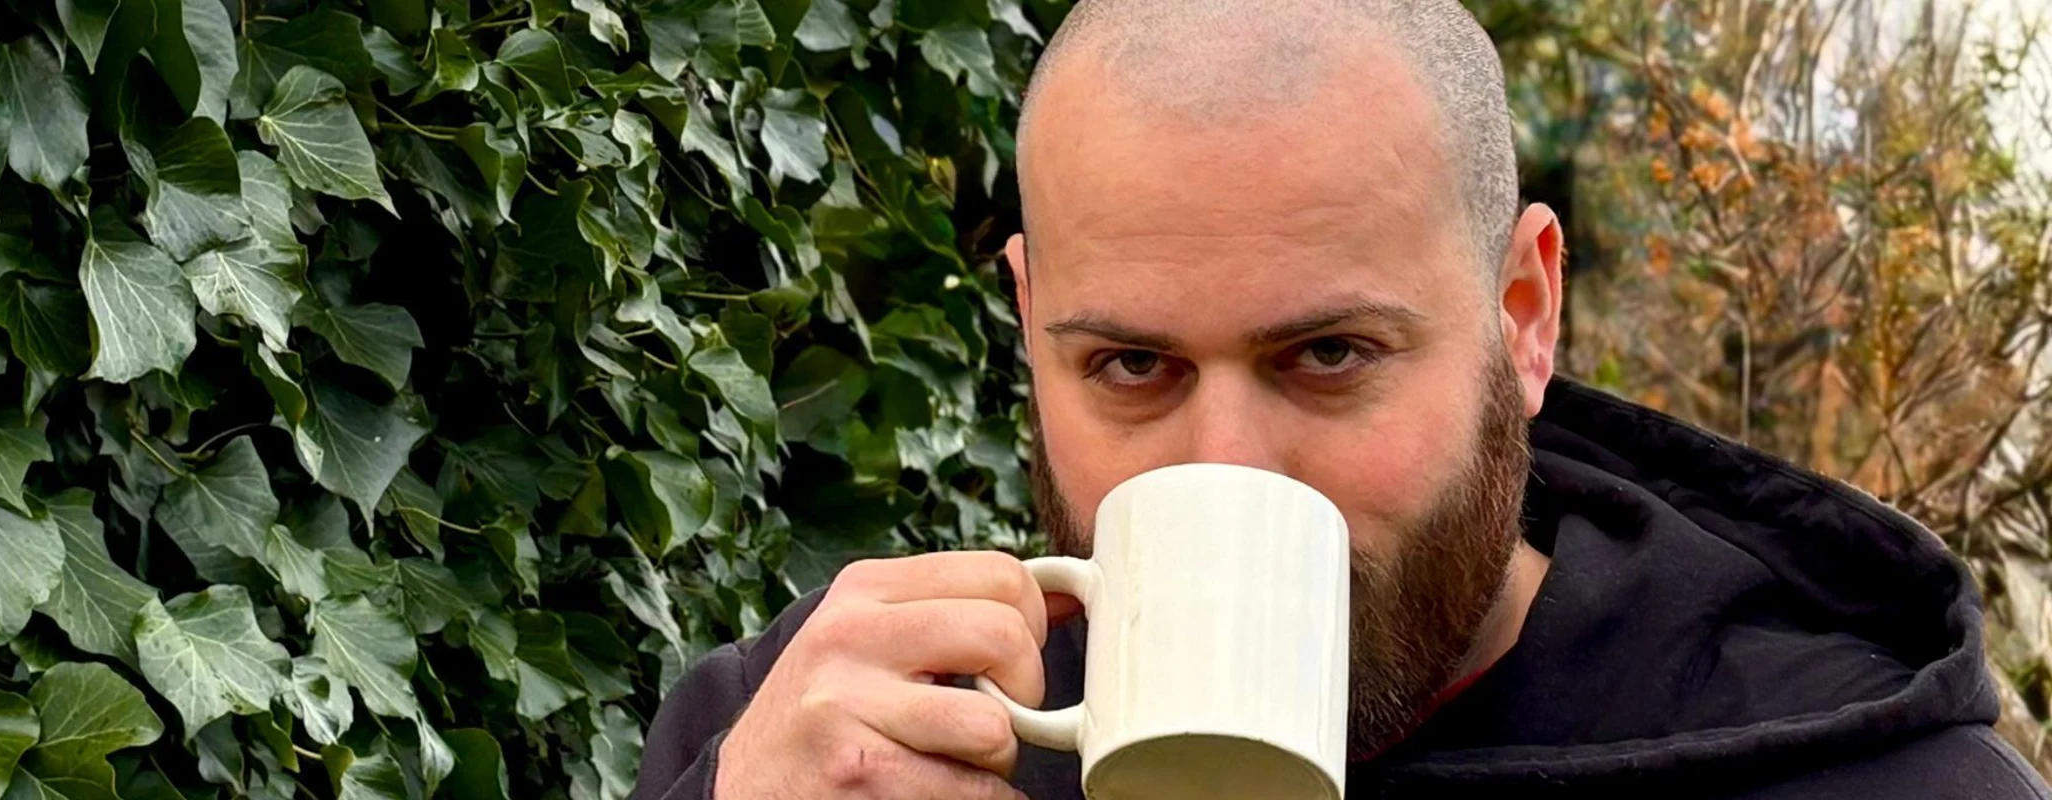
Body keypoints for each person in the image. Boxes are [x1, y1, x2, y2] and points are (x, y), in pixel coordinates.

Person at [631, 0, 2052, 797]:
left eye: (1328, 356)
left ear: (1524, 315)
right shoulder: (829, 738)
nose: (1227, 465)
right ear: (1027, 322)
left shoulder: (1885, 784)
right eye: (1131, 367)